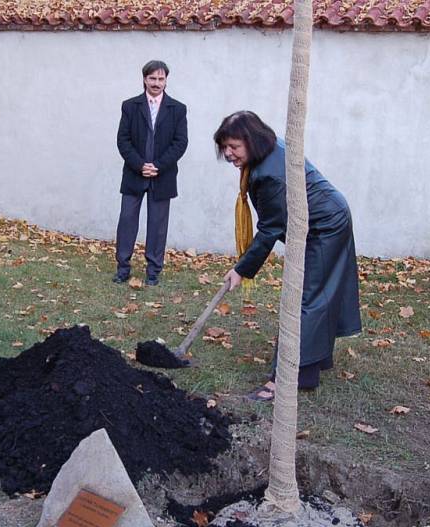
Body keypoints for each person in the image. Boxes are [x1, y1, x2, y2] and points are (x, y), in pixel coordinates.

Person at [213, 111, 361, 400]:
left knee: (307, 297)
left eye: (234, 147)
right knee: (316, 294)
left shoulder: (269, 174)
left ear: (252, 141)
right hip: (319, 220)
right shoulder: (266, 154)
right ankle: (315, 361)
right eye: (225, 147)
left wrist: (241, 269)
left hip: (324, 225)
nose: (228, 154)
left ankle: (291, 376)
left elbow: (269, 228)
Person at [114, 60, 188, 286]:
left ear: (166, 80)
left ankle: (153, 271)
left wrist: (158, 165)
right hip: (134, 174)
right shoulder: (130, 106)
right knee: (127, 220)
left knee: (158, 224)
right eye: (153, 78)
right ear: (145, 79)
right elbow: (123, 140)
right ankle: (123, 268)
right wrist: (139, 165)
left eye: (161, 79)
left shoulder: (177, 108)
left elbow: (180, 142)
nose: (157, 83)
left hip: (162, 176)